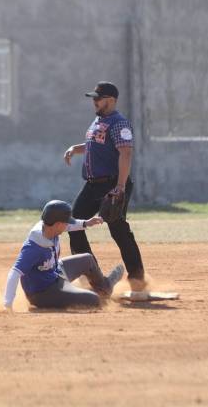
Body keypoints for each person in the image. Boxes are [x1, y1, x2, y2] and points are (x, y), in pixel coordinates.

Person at [63, 81, 146, 291]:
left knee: (118, 229)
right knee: (73, 224)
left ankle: (137, 278)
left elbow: (126, 153)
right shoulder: (98, 121)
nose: (94, 101)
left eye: (98, 98)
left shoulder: (119, 123)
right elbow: (94, 145)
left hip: (111, 184)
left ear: (110, 100)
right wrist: (75, 148)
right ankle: (94, 278)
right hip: (91, 186)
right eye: (93, 98)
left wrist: (119, 187)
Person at [3, 200, 124, 311]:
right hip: (44, 293)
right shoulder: (33, 247)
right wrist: (7, 304)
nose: (67, 225)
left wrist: (86, 223)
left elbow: (69, 226)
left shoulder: (48, 226)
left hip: (55, 273)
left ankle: (105, 288)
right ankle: (84, 295)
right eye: (65, 222)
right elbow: (14, 273)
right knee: (94, 300)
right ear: (57, 224)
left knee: (87, 259)